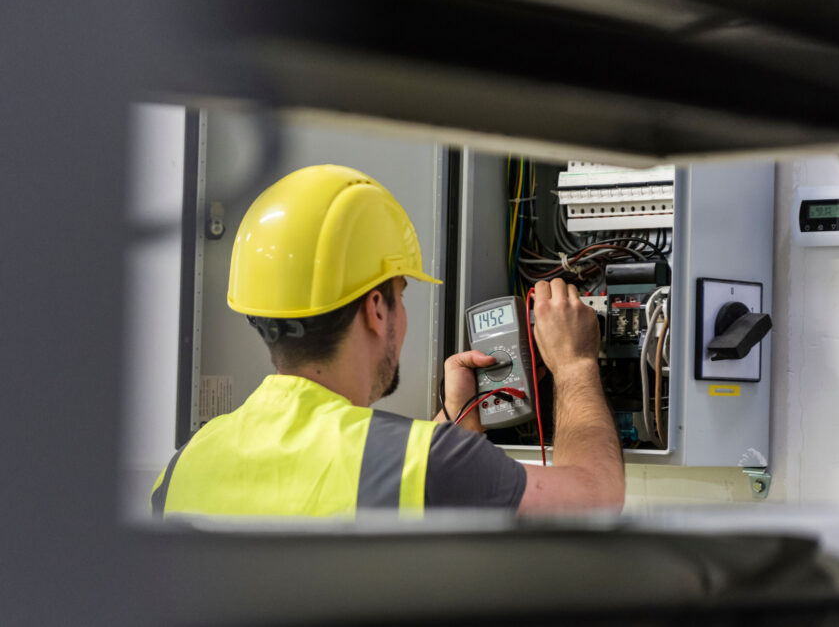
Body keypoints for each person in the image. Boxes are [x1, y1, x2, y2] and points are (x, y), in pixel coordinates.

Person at [152, 165, 624, 517]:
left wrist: (455, 417)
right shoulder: (426, 463)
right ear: (376, 309)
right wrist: (574, 364)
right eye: (401, 294)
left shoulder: (181, 470)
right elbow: (596, 502)